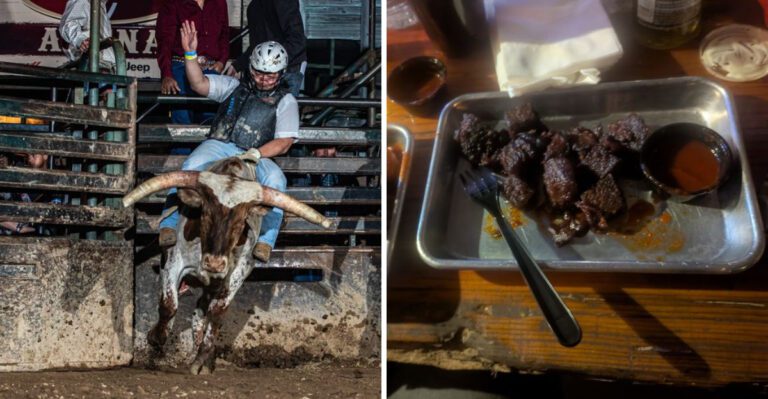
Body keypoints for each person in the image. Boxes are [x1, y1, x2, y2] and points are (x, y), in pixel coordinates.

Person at [158, 20, 299, 263]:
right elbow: (199, 84)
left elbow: (285, 141)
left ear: (281, 74)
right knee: (191, 165)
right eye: (259, 72)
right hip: (220, 144)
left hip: (257, 155)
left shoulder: (286, 102)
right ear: (251, 69)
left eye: (270, 75)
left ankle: (266, 240)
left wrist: (256, 154)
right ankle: (168, 224)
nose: (263, 79)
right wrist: (190, 54)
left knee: (277, 180)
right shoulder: (233, 86)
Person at [156, 0, 229, 124]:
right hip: (181, 67)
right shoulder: (173, 3)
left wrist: (222, 61)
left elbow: (224, 35)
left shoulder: (219, 3)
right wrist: (167, 74)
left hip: (210, 68)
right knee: (182, 120)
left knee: (211, 120)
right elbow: (165, 42)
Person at [229, 0, 306, 97]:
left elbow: (297, 41)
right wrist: (237, 65)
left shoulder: (283, 2)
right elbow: (257, 47)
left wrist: (272, 63)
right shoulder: (253, 7)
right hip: (265, 73)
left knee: (283, 106)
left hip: (287, 71)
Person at [58, 0, 115, 70]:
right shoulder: (83, 1)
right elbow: (68, 25)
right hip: (89, 66)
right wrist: (81, 40)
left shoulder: (101, 5)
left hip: (103, 66)